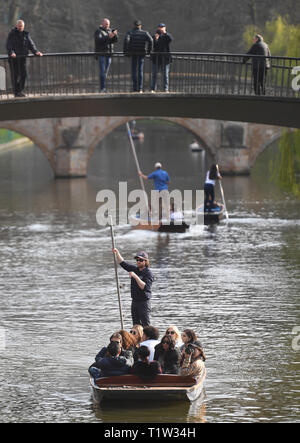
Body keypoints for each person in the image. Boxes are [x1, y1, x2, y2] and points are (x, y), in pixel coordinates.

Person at [112, 249, 154, 326]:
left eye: (141, 260)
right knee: (135, 325)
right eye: (137, 260)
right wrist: (117, 252)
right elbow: (122, 263)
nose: (138, 261)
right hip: (134, 301)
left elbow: (144, 287)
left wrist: (135, 276)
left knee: (146, 325)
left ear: (145, 261)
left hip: (144, 302)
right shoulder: (134, 269)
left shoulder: (148, 273)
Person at [6, 20, 43, 97]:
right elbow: (9, 45)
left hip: (22, 58)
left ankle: (20, 90)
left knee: (23, 75)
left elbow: (31, 44)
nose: (20, 27)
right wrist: (12, 53)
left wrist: (36, 52)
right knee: (15, 76)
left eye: (21, 26)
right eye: (19, 26)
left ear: (23, 26)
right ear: (16, 26)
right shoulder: (12, 34)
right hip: (14, 59)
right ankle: (16, 92)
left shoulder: (26, 34)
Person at [123, 20, 153, 92]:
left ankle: (134, 88)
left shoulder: (130, 32)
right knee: (140, 71)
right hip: (141, 53)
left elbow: (126, 41)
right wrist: (149, 51)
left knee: (134, 71)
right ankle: (140, 88)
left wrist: (126, 51)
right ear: (140, 26)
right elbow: (151, 40)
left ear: (134, 25)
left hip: (133, 53)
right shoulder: (145, 33)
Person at [94, 18, 118, 92]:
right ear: (103, 24)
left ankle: (103, 88)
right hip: (102, 54)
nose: (108, 25)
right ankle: (102, 88)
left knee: (106, 72)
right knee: (102, 72)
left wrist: (115, 35)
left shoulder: (109, 31)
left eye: (108, 24)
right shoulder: (98, 31)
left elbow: (115, 41)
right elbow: (98, 40)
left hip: (109, 54)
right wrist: (108, 36)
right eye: (106, 24)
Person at [151, 23, 173, 92]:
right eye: (160, 27)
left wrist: (165, 32)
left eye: (162, 27)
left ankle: (165, 89)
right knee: (154, 75)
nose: (161, 28)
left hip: (165, 59)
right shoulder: (154, 36)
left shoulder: (166, 36)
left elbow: (170, 39)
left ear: (165, 28)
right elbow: (152, 45)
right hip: (156, 59)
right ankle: (153, 88)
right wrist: (156, 39)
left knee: (165, 75)